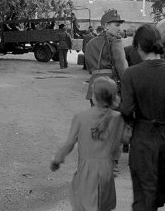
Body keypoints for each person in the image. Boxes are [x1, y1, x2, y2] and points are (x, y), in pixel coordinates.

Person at [120, 24, 165, 211]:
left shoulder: (131, 74)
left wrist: (127, 129)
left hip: (143, 138)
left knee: (144, 196)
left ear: (138, 46)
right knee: (161, 193)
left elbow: (127, 109)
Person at [50, 77, 124, 211]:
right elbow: (119, 144)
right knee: (102, 206)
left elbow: (69, 144)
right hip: (106, 170)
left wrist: (57, 159)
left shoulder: (80, 117)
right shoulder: (118, 118)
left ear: (94, 97)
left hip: (86, 170)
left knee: (84, 205)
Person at [84, 9, 128, 106]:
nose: (120, 29)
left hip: (94, 86)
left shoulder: (90, 43)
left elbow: (89, 67)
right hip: (110, 87)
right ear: (106, 26)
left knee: (96, 118)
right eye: (117, 25)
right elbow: (122, 67)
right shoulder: (116, 42)